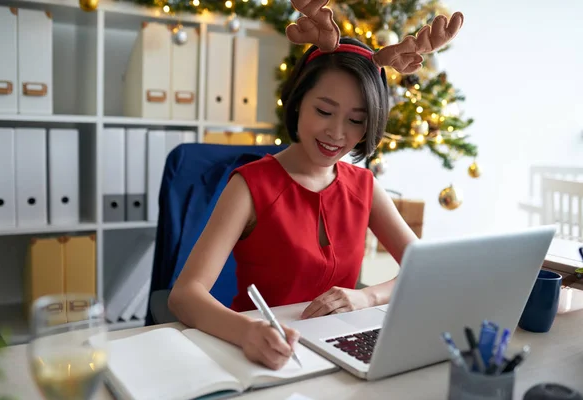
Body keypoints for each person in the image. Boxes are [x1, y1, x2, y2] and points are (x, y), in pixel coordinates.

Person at [168, 2, 464, 371]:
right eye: (324, 111)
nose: (337, 134)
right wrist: (247, 332)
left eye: (357, 121)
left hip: (340, 351)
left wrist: (365, 297)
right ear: (298, 103)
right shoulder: (251, 185)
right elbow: (184, 295)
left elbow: (426, 268)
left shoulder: (365, 186)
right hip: (262, 352)